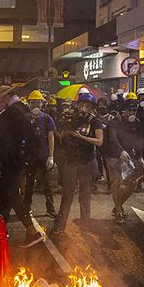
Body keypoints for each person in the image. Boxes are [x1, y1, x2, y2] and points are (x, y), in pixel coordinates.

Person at [0, 89, 44, 247]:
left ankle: (32, 232)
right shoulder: (23, 108)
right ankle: (1, 228)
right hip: (23, 158)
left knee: (12, 195)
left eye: (0, 99)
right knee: (6, 194)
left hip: (12, 159)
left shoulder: (10, 112)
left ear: (7, 98)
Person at [52, 90, 103, 235]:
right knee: (67, 194)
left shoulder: (95, 121)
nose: (84, 108)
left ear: (92, 108)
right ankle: (60, 225)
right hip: (71, 161)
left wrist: (81, 137)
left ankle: (85, 225)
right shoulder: (72, 119)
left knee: (85, 195)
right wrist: (65, 129)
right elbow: (61, 137)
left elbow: (99, 141)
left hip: (87, 162)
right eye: (82, 105)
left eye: (87, 106)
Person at [101, 96, 144, 224]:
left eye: (134, 110)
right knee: (117, 181)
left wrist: (140, 157)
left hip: (126, 156)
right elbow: (113, 140)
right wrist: (121, 151)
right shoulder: (114, 122)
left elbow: (138, 141)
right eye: (129, 110)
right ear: (123, 111)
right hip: (112, 154)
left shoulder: (136, 123)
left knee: (133, 183)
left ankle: (117, 206)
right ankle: (119, 212)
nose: (132, 113)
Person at [23, 90, 57, 218]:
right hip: (29, 155)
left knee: (46, 183)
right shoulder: (25, 118)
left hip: (43, 155)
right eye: (33, 103)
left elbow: (51, 137)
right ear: (29, 104)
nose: (35, 105)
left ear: (42, 104)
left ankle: (50, 208)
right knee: (29, 184)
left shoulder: (47, 118)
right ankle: (26, 208)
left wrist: (51, 156)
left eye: (38, 103)